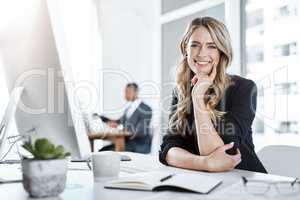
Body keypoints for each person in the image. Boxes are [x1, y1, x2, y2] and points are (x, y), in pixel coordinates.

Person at [159, 17, 267, 173]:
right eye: (195, 45)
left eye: (211, 46)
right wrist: (205, 163)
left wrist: (198, 100)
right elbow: (168, 150)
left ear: (222, 51)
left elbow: (223, 154)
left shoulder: (245, 88)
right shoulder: (181, 90)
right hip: (203, 181)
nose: (202, 53)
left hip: (244, 181)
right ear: (185, 50)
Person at [99, 83, 152, 153]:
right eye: (125, 92)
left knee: (105, 151)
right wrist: (103, 119)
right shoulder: (128, 108)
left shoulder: (146, 109)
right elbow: (118, 122)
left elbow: (141, 131)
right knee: (102, 150)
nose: (125, 94)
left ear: (136, 92)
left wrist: (121, 131)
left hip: (138, 145)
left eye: (128, 92)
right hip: (127, 142)